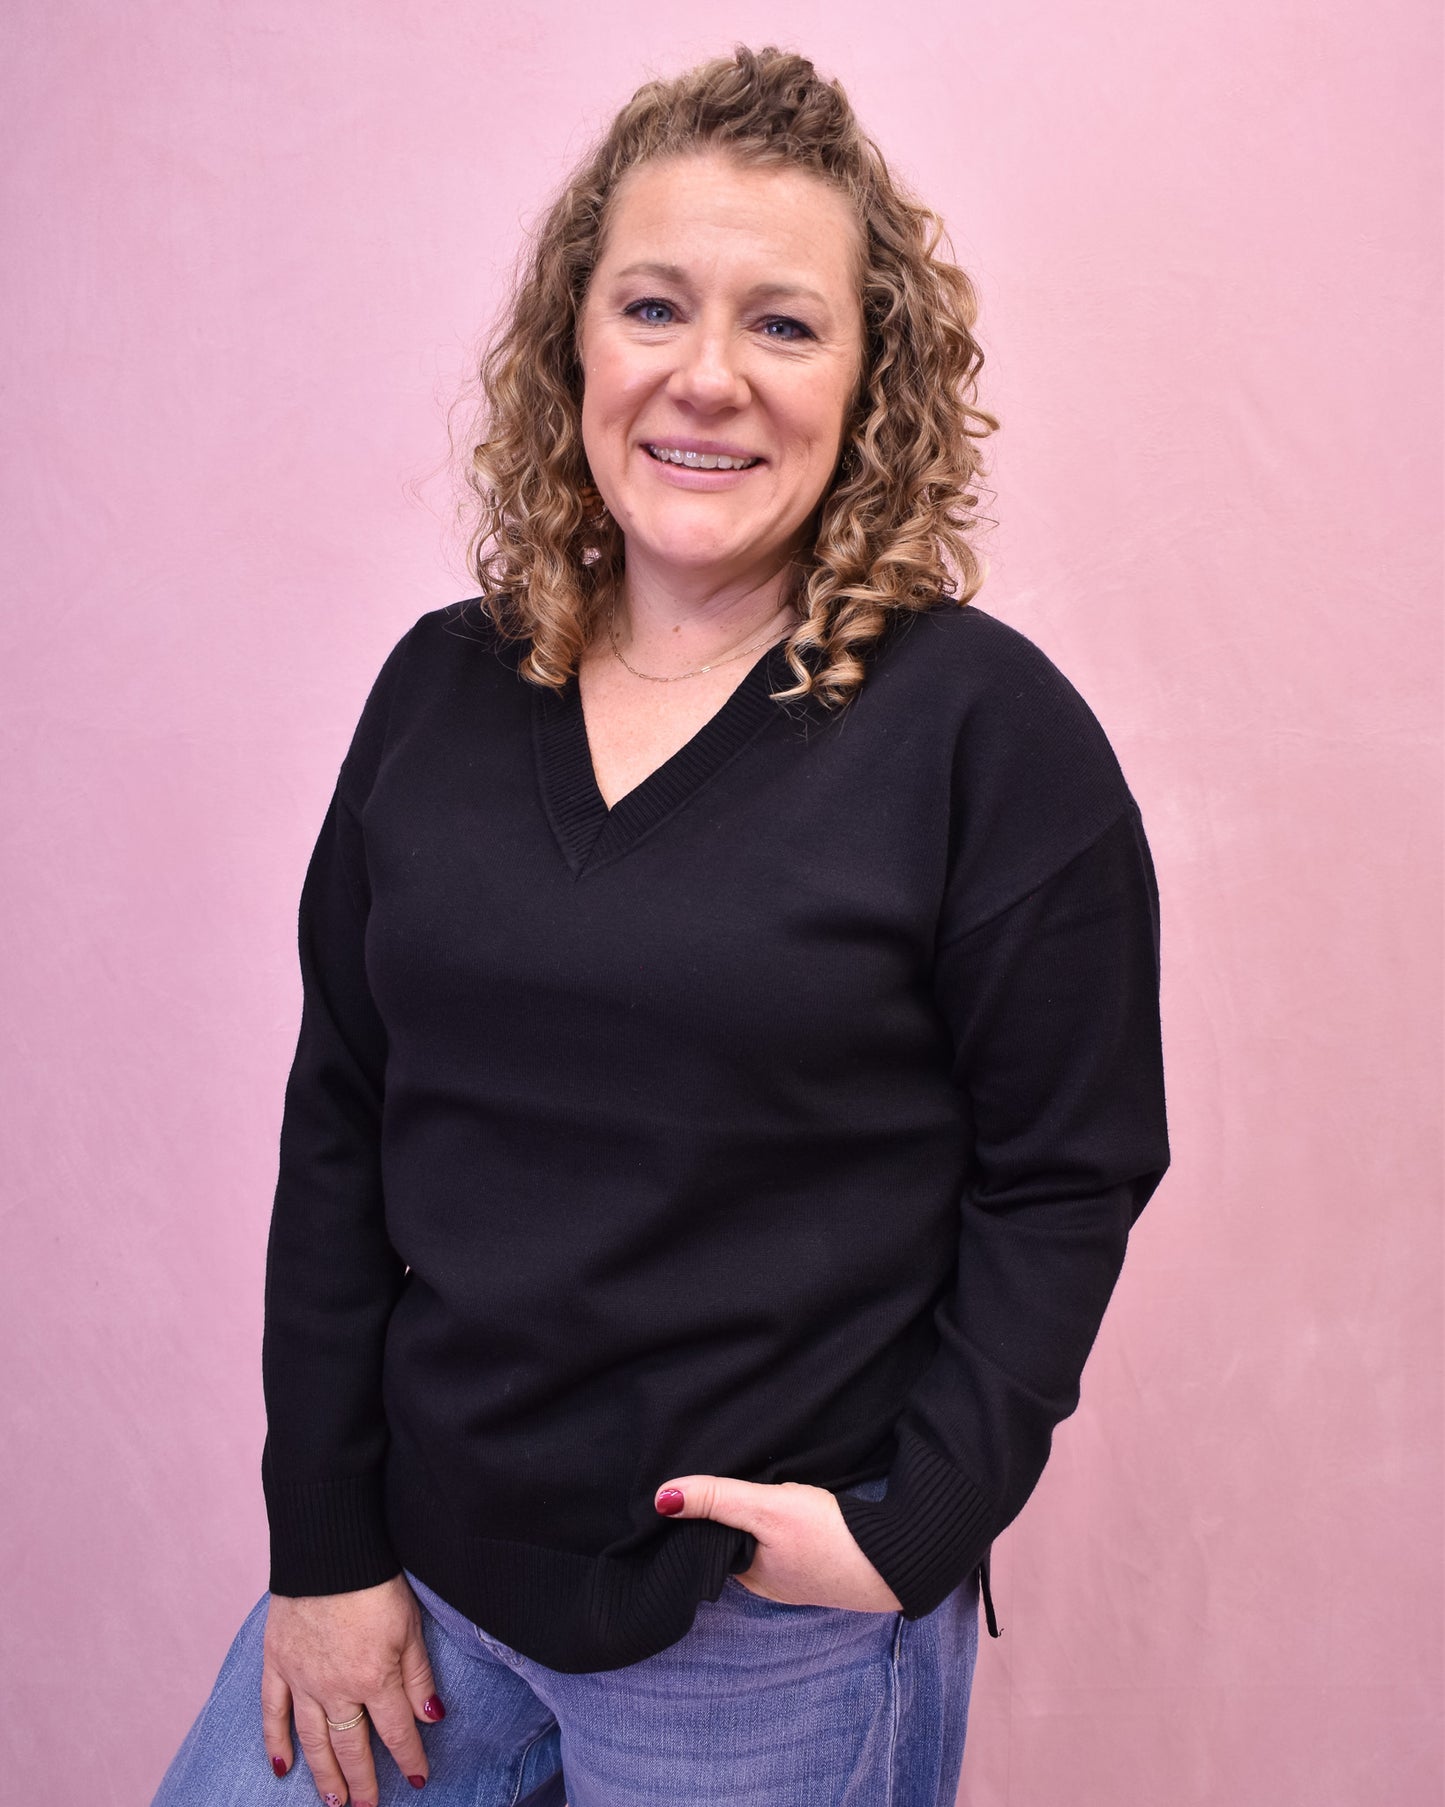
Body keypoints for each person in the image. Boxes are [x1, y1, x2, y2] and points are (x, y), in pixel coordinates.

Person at [153, 43, 1169, 1807]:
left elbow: (1069, 1165)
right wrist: (323, 1547)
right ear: (574, 344)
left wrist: (915, 1521)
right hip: (420, 1575)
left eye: (784, 324)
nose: (707, 378)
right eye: (652, 306)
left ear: (872, 385)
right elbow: (342, 1121)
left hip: (764, 1640)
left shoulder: (985, 737)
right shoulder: (437, 691)